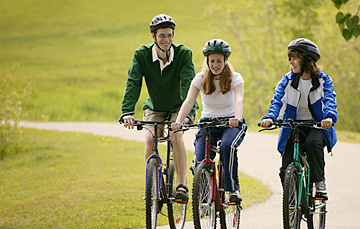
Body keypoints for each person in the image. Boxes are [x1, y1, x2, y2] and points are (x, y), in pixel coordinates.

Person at [120, 14, 198, 203]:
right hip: (155, 107)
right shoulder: (142, 55)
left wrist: (188, 114)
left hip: (179, 107)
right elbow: (133, 82)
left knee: (176, 135)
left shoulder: (183, 54)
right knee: (149, 139)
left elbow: (190, 84)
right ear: (154, 37)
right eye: (162, 36)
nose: (167, 40)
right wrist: (127, 112)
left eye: (170, 35)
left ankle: (181, 185)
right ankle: (152, 186)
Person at [260, 38, 338, 198]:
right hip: (293, 126)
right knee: (284, 171)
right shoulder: (287, 80)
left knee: (313, 143)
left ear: (307, 60)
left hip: (317, 126)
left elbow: (329, 100)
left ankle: (319, 182)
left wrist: (329, 117)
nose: (291, 63)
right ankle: (294, 202)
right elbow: (277, 101)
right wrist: (270, 117)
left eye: (295, 58)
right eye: (290, 58)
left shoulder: (323, 80)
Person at [172, 39, 246, 203]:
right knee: (200, 160)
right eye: (212, 61)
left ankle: (232, 189)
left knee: (228, 146)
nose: (215, 65)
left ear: (226, 60)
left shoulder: (235, 78)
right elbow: (189, 101)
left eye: (219, 61)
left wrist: (237, 118)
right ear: (207, 61)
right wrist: (178, 121)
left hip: (230, 123)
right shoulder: (200, 78)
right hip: (208, 123)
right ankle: (205, 198)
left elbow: (239, 99)